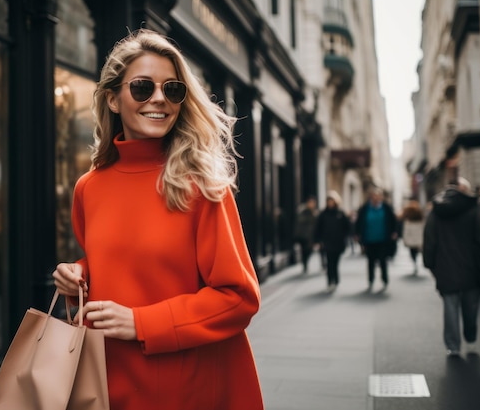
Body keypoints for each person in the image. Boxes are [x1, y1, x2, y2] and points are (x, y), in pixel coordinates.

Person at [51, 29, 264, 410]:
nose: (159, 99)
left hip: (185, 389)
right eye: (143, 88)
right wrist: (78, 274)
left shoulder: (201, 185)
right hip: (104, 384)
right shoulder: (89, 187)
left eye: (173, 90)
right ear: (114, 99)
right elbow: (115, 260)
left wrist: (141, 323)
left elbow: (239, 297)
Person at [423, 177, 480, 357]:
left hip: (445, 265)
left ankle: (453, 345)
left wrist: (429, 263)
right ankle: (470, 334)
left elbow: (429, 239)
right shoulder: (473, 209)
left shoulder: (437, 211)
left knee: (450, 307)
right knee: (470, 306)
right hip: (471, 266)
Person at [354, 188, 398, 291]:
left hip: (383, 239)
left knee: (383, 260)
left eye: (378, 196)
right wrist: (357, 234)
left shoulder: (386, 208)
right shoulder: (365, 208)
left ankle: (384, 279)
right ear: (371, 197)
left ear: (381, 197)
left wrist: (394, 232)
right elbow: (359, 222)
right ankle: (371, 280)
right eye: (374, 196)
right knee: (370, 261)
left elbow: (393, 221)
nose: (376, 198)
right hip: (369, 240)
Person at [313, 191, 351, 292]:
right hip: (327, 242)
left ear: (336, 202)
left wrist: (346, 238)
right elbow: (318, 228)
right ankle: (330, 281)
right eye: (329, 201)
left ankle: (336, 280)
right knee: (329, 263)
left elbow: (347, 227)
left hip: (338, 242)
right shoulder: (323, 214)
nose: (330, 203)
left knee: (336, 263)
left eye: (332, 201)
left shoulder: (340, 213)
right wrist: (317, 240)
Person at [399, 199, 425, 275]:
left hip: (412, 234)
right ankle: (416, 261)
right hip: (417, 234)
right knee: (416, 250)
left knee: (412, 251)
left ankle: (415, 261)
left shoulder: (408, 214)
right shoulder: (418, 213)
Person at [294, 195, 318, 273]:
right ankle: (305, 264)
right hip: (303, 235)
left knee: (309, 250)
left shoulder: (315, 213)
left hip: (311, 235)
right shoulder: (303, 212)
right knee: (305, 251)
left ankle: (305, 263)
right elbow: (299, 223)